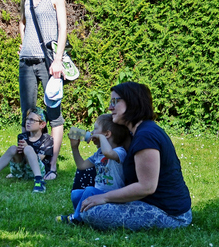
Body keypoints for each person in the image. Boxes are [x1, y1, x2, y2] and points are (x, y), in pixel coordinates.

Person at [79, 82, 192, 230]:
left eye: (115, 102)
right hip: (148, 203)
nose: (110, 107)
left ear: (132, 103)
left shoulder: (146, 136)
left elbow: (146, 187)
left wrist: (104, 197)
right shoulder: (137, 132)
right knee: (86, 195)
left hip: (171, 215)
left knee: (92, 212)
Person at [18, 0, 68, 181]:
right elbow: (22, 21)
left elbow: (62, 28)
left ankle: (52, 165)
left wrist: (57, 60)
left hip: (48, 64)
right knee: (27, 114)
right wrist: (22, 44)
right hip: (26, 62)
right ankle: (27, 164)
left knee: (53, 113)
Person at [57, 114, 129, 224]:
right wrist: (74, 147)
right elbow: (81, 165)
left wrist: (101, 137)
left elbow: (108, 153)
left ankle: (76, 218)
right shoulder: (99, 153)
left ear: (107, 134)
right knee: (76, 194)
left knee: (89, 190)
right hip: (97, 193)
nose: (91, 132)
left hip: (112, 197)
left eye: (95, 129)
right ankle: (83, 215)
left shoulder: (120, 152)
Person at [0, 107, 52, 193]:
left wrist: (27, 148)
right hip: (22, 171)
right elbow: (20, 157)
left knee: (28, 148)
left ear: (42, 125)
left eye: (32, 120)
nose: (28, 122)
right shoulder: (22, 136)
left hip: (37, 172)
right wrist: (20, 152)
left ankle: (39, 181)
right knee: (13, 148)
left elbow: (40, 158)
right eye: (27, 119)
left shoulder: (47, 139)